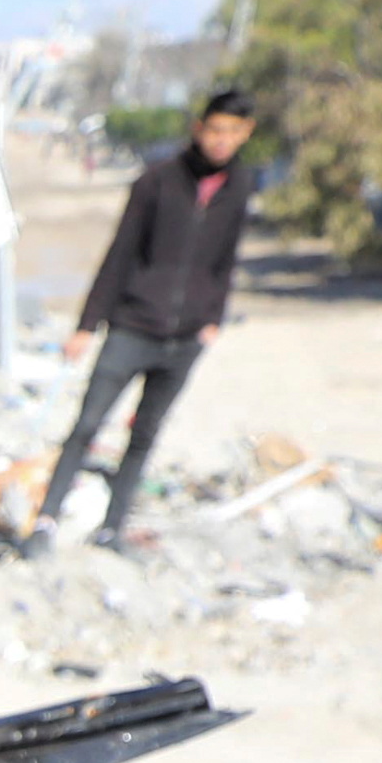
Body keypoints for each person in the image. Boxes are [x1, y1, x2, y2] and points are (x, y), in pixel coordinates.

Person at [37, 85, 259, 548]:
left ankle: (112, 528)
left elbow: (226, 257)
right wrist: (86, 325)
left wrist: (212, 318)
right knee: (87, 426)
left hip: (184, 339)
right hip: (132, 326)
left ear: (246, 134)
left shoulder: (240, 187)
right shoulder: (156, 181)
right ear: (199, 128)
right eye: (215, 130)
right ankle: (46, 520)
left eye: (232, 133)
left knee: (143, 436)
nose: (221, 141)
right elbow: (119, 254)